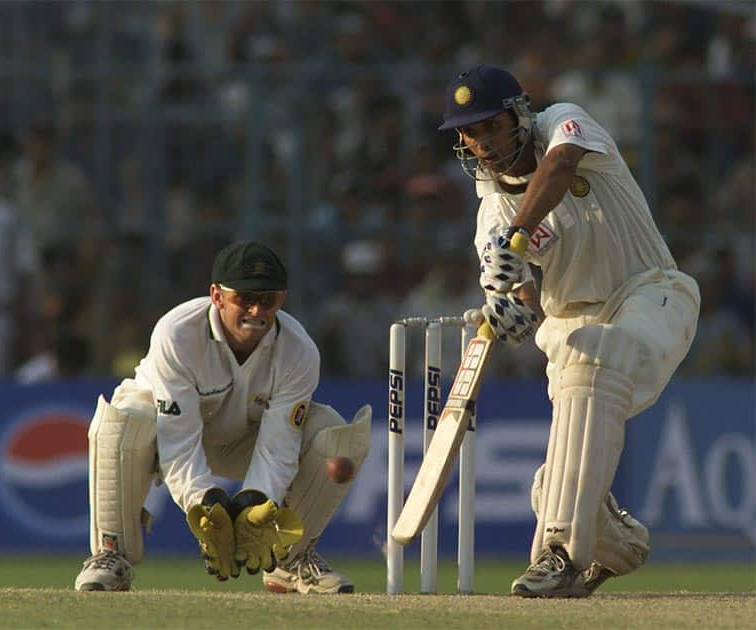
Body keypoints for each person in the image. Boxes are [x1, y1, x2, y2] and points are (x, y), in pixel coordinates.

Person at [438, 65, 700, 597]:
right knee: (553, 484)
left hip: (649, 293)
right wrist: (513, 307)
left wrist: (515, 241)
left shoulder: (564, 122)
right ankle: (619, 543)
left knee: (596, 357)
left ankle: (557, 553)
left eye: (491, 126)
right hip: (568, 328)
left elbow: (558, 168)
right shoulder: (490, 213)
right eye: (470, 132)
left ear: (518, 115)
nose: (482, 143)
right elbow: (526, 300)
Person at [74, 241, 371, 593]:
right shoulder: (178, 333)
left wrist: (257, 501)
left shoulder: (299, 350)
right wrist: (204, 503)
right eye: (245, 299)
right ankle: (111, 553)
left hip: (244, 439)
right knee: (121, 423)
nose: (257, 311)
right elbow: (178, 437)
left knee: (337, 437)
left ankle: (291, 562)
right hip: (159, 437)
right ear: (217, 296)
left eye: (268, 299)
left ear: (283, 298)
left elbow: (279, 445)